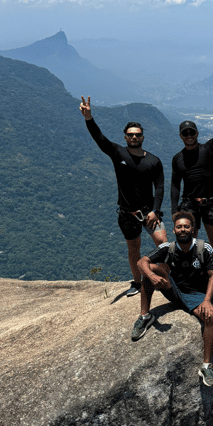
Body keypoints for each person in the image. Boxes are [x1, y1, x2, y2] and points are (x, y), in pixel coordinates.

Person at [80, 95, 167, 296]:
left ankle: (166, 276)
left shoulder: (154, 161)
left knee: (162, 243)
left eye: (137, 134)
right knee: (133, 249)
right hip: (127, 213)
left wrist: (155, 210)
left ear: (143, 137)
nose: (134, 137)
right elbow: (99, 138)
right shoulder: (118, 153)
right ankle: (137, 282)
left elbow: (159, 187)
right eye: (130, 134)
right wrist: (88, 118)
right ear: (125, 137)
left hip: (149, 213)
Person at [131, 211, 213, 386]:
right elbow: (141, 262)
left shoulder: (204, 248)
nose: (183, 229)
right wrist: (151, 275)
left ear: (193, 229)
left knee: (210, 317)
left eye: (186, 226)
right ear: (173, 230)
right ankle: (145, 316)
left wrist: (207, 300)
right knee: (151, 270)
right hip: (175, 290)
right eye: (179, 227)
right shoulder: (168, 248)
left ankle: (206, 366)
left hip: (197, 296)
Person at [171, 90, 213, 288]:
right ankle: (193, 275)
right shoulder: (178, 159)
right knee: (189, 242)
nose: (189, 136)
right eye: (186, 133)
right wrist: (175, 210)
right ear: (181, 136)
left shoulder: (209, 149)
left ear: (197, 134)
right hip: (188, 203)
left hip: (210, 202)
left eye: (192, 132)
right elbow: (175, 184)